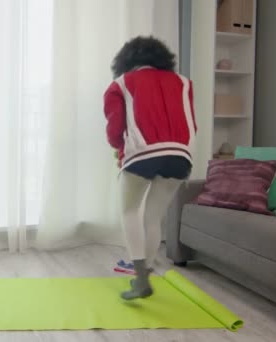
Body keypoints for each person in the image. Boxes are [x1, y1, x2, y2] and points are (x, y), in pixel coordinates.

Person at [103, 36, 197, 300]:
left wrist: (119, 150)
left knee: (129, 210)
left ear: (125, 62)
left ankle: (141, 278)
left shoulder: (120, 85)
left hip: (142, 152)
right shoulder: (184, 83)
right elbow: (191, 123)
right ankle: (149, 268)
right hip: (181, 154)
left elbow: (114, 129)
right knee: (153, 217)